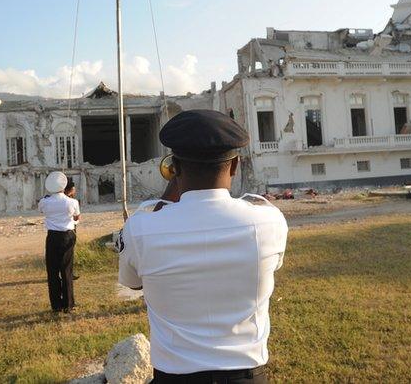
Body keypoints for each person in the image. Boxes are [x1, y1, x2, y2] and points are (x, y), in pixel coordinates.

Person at [117, 110, 288, 383]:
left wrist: (167, 201)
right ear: (235, 166)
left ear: (175, 169)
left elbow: (133, 283)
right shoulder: (269, 222)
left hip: (173, 377)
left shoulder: (141, 229)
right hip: (247, 376)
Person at [39, 171, 80, 313]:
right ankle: (68, 304)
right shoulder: (72, 202)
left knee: (52, 271)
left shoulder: (44, 201)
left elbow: (41, 210)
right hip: (67, 236)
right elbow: (76, 217)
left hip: (52, 237)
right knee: (66, 270)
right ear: (64, 186)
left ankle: (56, 305)